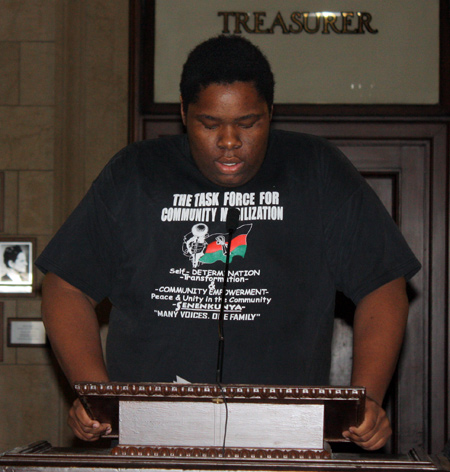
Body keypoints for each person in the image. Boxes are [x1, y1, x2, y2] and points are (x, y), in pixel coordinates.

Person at [37, 35, 420, 451]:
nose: (229, 140)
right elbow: (65, 285)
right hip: (151, 435)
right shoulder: (136, 174)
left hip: (284, 433)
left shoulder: (316, 170)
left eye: (248, 122)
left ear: (271, 114)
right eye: (209, 123)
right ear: (184, 113)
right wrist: (97, 395)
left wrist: (365, 399)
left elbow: (383, 283)